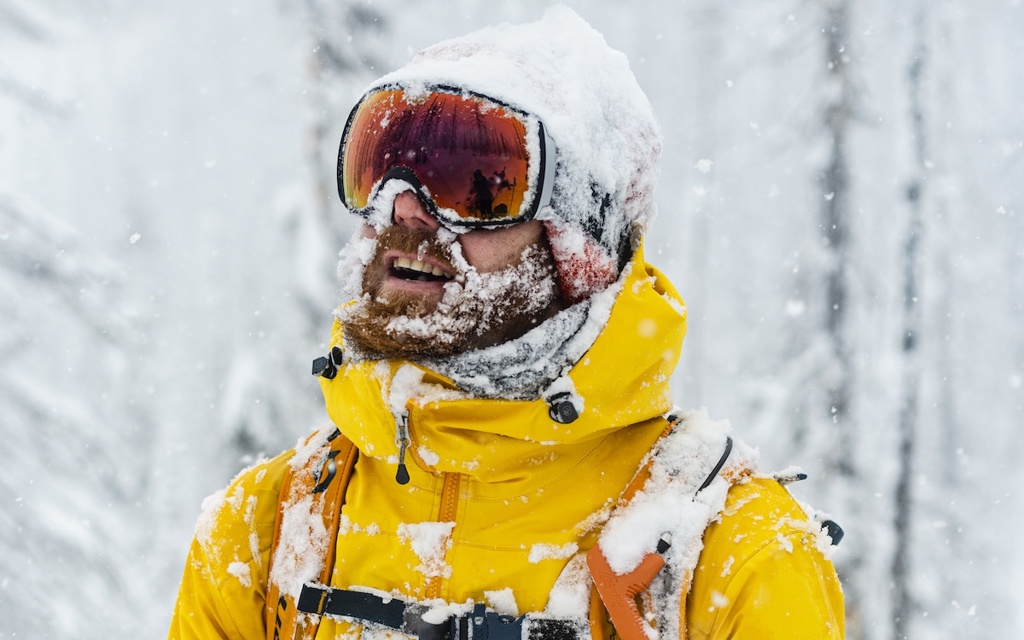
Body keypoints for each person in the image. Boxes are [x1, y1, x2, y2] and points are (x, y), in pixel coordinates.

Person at [168, 7, 844, 640]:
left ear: (577, 243)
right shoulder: (263, 534)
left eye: (472, 183)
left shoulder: (731, 553)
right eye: (381, 170)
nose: (404, 211)